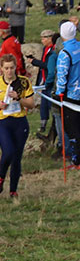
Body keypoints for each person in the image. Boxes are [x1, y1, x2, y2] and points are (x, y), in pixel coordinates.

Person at [0, 54, 35, 198]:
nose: (9, 71)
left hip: (20, 121)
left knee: (17, 157)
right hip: (3, 122)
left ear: (15, 68)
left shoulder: (23, 82)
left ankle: (13, 190)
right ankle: (1, 177)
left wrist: (18, 98)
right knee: (8, 152)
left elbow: (31, 104)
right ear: (1, 69)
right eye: (6, 68)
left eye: (12, 68)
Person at [52, 21, 80, 168]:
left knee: (70, 127)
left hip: (71, 96)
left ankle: (76, 158)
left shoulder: (64, 53)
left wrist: (59, 93)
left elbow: (62, 75)